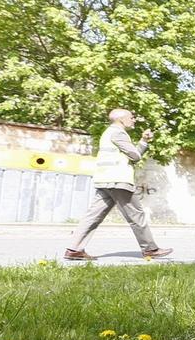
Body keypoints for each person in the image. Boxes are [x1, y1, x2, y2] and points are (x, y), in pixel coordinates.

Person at [64, 109, 173, 261]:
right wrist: (143, 142)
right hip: (118, 180)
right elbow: (135, 156)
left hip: (104, 180)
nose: (134, 119)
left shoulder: (107, 133)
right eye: (131, 117)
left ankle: (74, 249)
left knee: (93, 216)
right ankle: (150, 249)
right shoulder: (119, 133)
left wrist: (143, 141)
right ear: (121, 119)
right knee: (136, 214)